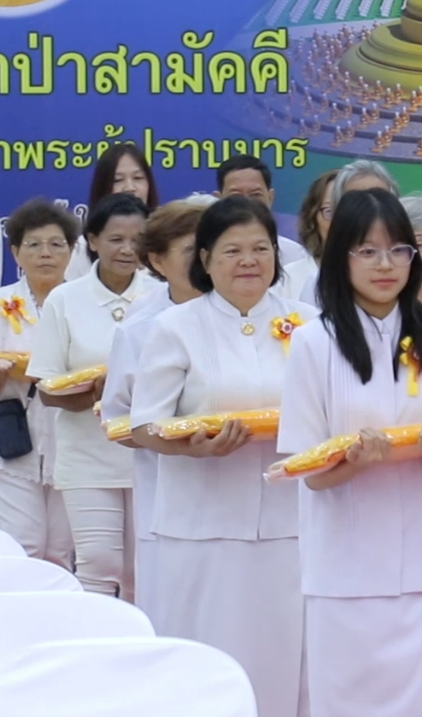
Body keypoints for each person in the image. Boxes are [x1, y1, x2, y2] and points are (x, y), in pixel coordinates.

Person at [279, 189, 422, 717]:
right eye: (366, 251)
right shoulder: (313, 343)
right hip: (346, 568)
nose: (385, 265)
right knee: (352, 701)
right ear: (339, 255)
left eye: (398, 250)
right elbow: (309, 472)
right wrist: (355, 460)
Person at [129, 196, 312, 717]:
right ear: (205, 260)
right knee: (210, 660)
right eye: (232, 250)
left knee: (284, 659)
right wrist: (191, 446)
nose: (248, 261)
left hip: (289, 524)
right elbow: (144, 425)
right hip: (202, 525)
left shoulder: (312, 324)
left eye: (260, 248)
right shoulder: (175, 326)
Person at [29, 192, 156, 596]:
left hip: (148, 454)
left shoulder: (162, 296)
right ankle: (97, 649)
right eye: (116, 239)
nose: (128, 249)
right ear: (93, 241)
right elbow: (46, 389)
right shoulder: (65, 299)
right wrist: (98, 394)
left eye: (138, 239)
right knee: (98, 563)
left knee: (143, 569)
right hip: (86, 455)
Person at [99, 194, 213, 625]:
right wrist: (177, 437)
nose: (204, 260)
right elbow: (118, 418)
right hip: (169, 486)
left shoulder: (248, 315)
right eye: (190, 252)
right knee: (175, 604)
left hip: (242, 481)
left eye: (209, 247)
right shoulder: (141, 329)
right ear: (157, 261)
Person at [0, 198, 78, 566]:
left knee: (61, 551)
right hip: (10, 436)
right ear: (15, 252)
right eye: (34, 244)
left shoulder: (85, 303)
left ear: (72, 251)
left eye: (56, 244)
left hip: (72, 439)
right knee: (24, 546)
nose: (46, 253)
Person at [298, 159, 400, 306]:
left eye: (379, 197)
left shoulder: (410, 267)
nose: (370, 206)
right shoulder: (319, 286)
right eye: (358, 201)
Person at [67, 142, 160, 279]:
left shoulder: (166, 240)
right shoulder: (82, 248)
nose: (129, 187)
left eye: (138, 178)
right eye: (118, 180)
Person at [216, 153, 308, 264]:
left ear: (270, 198)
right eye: (236, 196)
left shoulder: (295, 255)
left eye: (255, 195)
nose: (247, 203)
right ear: (218, 200)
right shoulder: (209, 252)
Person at [281, 169, 336, 303]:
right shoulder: (287, 279)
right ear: (312, 217)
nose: (339, 220)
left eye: (347, 210)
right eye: (329, 211)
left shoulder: (379, 276)